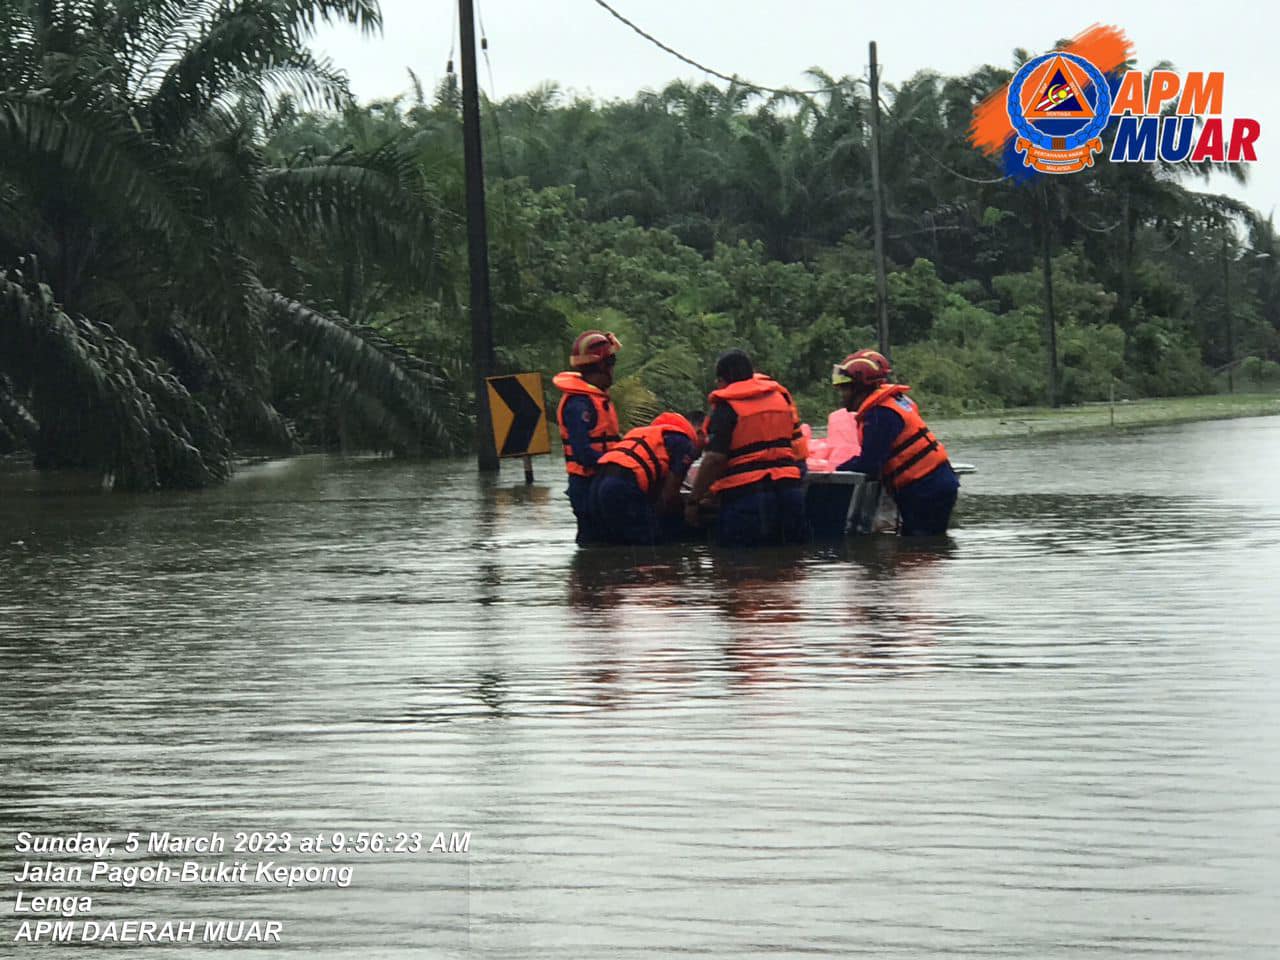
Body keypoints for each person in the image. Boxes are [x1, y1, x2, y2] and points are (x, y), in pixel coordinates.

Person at [685, 349, 809, 547]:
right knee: (790, 567)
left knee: (741, 570)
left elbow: (714, 460)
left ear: (722, 380)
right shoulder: (781, 399)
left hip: (748, 499)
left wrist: (694, 500)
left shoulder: (727, 408)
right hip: (790, 493)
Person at [831, 349, 959, 536]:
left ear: (859, 387)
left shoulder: (880, 414)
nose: (842, 394)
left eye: (845, 388)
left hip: (926, 488)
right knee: (924, 550)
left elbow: (870, 464)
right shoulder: (892, 402)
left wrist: (838, 469)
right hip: (935, 482)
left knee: (920, 552)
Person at [588, 412, 702, 545]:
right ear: (698, 432)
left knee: (607, 546)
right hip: (621, 486)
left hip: (596, 485)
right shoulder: (683, 443)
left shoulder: (646, 433)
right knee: (650, 548)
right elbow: (669, 497)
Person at [553, 330, 622, 544]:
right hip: (587, 484)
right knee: (595, 543)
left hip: (601, 481)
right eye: (611, 363)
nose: (613, 370)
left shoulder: (596, 399)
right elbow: (583, 453)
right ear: (603, 365)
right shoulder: (578, 404)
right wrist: (616, 466)